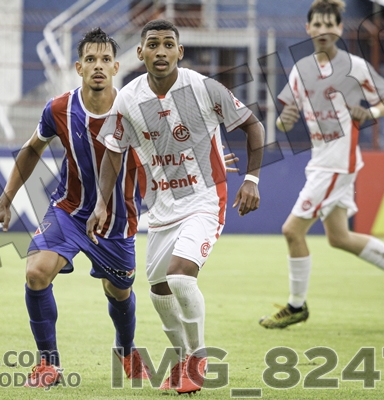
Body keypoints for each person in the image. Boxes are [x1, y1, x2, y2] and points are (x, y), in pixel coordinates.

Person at [87, 19, 265, 394]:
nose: (161, 51)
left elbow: (253, 125)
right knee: (158, 290)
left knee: (181, 276)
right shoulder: (128, 98)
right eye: (153, 44)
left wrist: (252, 179)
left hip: (205, 200)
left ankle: (198, 360)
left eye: (169, 44)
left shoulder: (203, 88)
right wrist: (102, 202)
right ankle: (182, 358)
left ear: (180, 52)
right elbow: (113, 154)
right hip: (162, 209)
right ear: (140, 52)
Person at [0, 27, 153, 388]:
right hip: (70, 211)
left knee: (118, 292)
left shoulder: (135, 110)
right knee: (36, 272)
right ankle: (49, 365)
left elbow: (167, 148)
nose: (98, 66)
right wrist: (4, 200)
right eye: (91, 59)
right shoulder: (59, 108)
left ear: (116, 67)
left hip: (117, 221)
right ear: (79, 67)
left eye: (105, 59)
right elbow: (32, 149)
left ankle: (126, 348)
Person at [259, 0, 384, 329]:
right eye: (317, 24)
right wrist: (285, 119)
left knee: (292, 230)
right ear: (308, 29)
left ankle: (296, 306)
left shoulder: (355, 66)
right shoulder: (300, 69)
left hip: (338, 163)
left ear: (339, 28)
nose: (323, 29)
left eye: (329, 24)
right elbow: (283, 122)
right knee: (339, 237)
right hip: (321, 160)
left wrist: (371, 112)